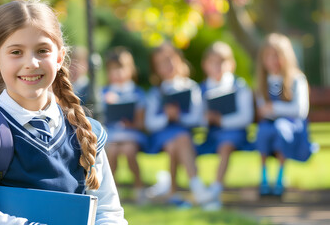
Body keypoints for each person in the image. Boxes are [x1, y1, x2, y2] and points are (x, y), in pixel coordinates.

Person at [0, 0, 127, 225]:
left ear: (58, 58)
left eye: (42, 50)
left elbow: (109, 213)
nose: (31, 63)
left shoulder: (87, 132)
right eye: (16, 52)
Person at [145, 42, 206, 208]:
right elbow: (150, 122)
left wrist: (179, 116)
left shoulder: (191, 87)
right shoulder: (156, 92)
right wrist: (166, 116)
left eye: (170, 60)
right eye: (162, 63)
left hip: (183, 134)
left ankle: (172, 192)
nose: (168, 66)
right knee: (181, 138)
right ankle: (196, 186)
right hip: (162, 135)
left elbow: (197, 117)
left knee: (177, 143)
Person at [198, 41, 254, 210]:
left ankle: (216, 188)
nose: (217, 67)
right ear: (205, 65)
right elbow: (197, 117)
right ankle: (199, 190)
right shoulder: (201, 89)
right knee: (184, 146)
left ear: (231, 64)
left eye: (221, 62)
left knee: (226, 144)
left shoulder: (240, 86)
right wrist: (207, 119)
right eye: (213, 62)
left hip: (235, 134)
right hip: (211, 135)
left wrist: (221, 120)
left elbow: (246, 117)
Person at [255, 33, 312, 197]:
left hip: (292, 126)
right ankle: (264, 176)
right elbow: (262, 109)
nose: (273, 61)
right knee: (263, 131)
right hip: (269, 124)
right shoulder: (263, 81)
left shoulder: (296, 79)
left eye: (276, 56)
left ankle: (280, 176)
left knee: (281, 129)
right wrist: (269, 111)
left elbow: (300, 110)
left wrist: (274, 108)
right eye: (268, 56)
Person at [101, 47, 148, 204]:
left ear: (130, 69)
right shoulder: (104, 92)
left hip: (132, 134)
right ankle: (112, 191)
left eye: (121, 68)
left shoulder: (137, 92)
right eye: (113, 69)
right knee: (112, 151)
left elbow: (141, 123)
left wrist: (131, 123)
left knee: (128, 150)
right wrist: (105, 104)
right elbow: (100, 121)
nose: (117, 73)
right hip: (112, 135)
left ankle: (139, 187)